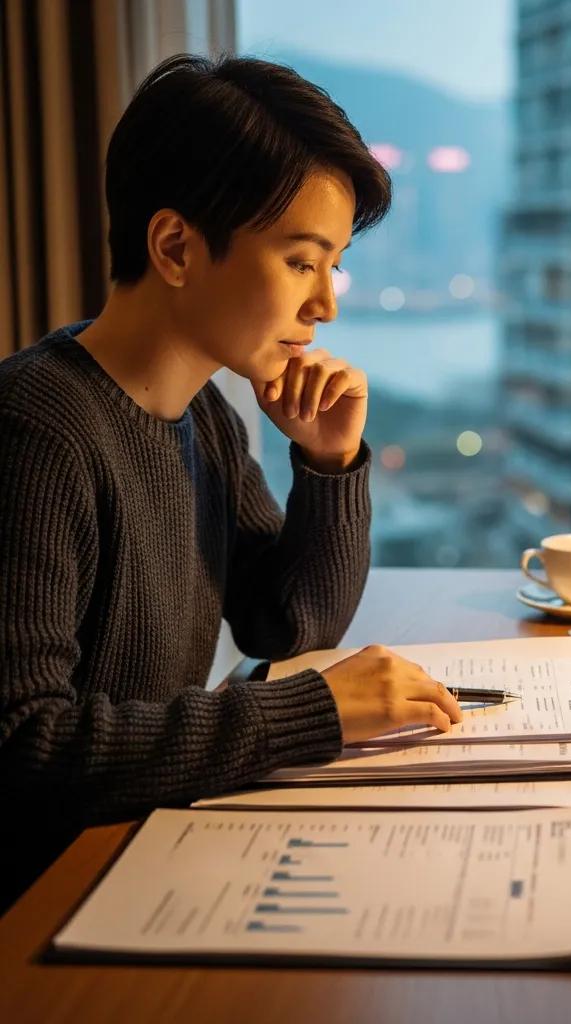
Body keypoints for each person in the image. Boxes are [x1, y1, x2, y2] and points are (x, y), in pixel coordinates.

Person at [0, 53, 462, 911]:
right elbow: (26, 747)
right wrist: (314, 714)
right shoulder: (37, 429)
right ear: (176, 246)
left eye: (334, 265)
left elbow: (287, 622)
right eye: (300, 261)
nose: (326, 304)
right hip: (46, 906)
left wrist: (328, 464)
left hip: (137, 861)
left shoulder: (202, 417)